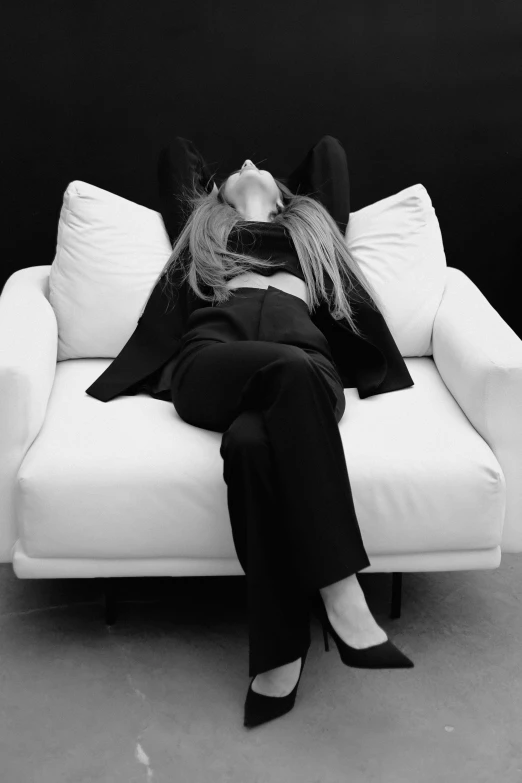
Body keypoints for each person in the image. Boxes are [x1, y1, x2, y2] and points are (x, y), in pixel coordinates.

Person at [85, 134, 415, 729]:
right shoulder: (205, 230)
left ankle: (279, 652)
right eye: (235, 165)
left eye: (258, 164)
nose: (246, 162)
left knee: (249, 446)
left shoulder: (312, 231)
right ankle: (341, 593)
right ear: (211, 195)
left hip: (307, 366)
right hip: (213, 358)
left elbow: (330, 153)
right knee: (280, 375)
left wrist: (276, 193)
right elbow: (173, 155)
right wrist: (227, 191)